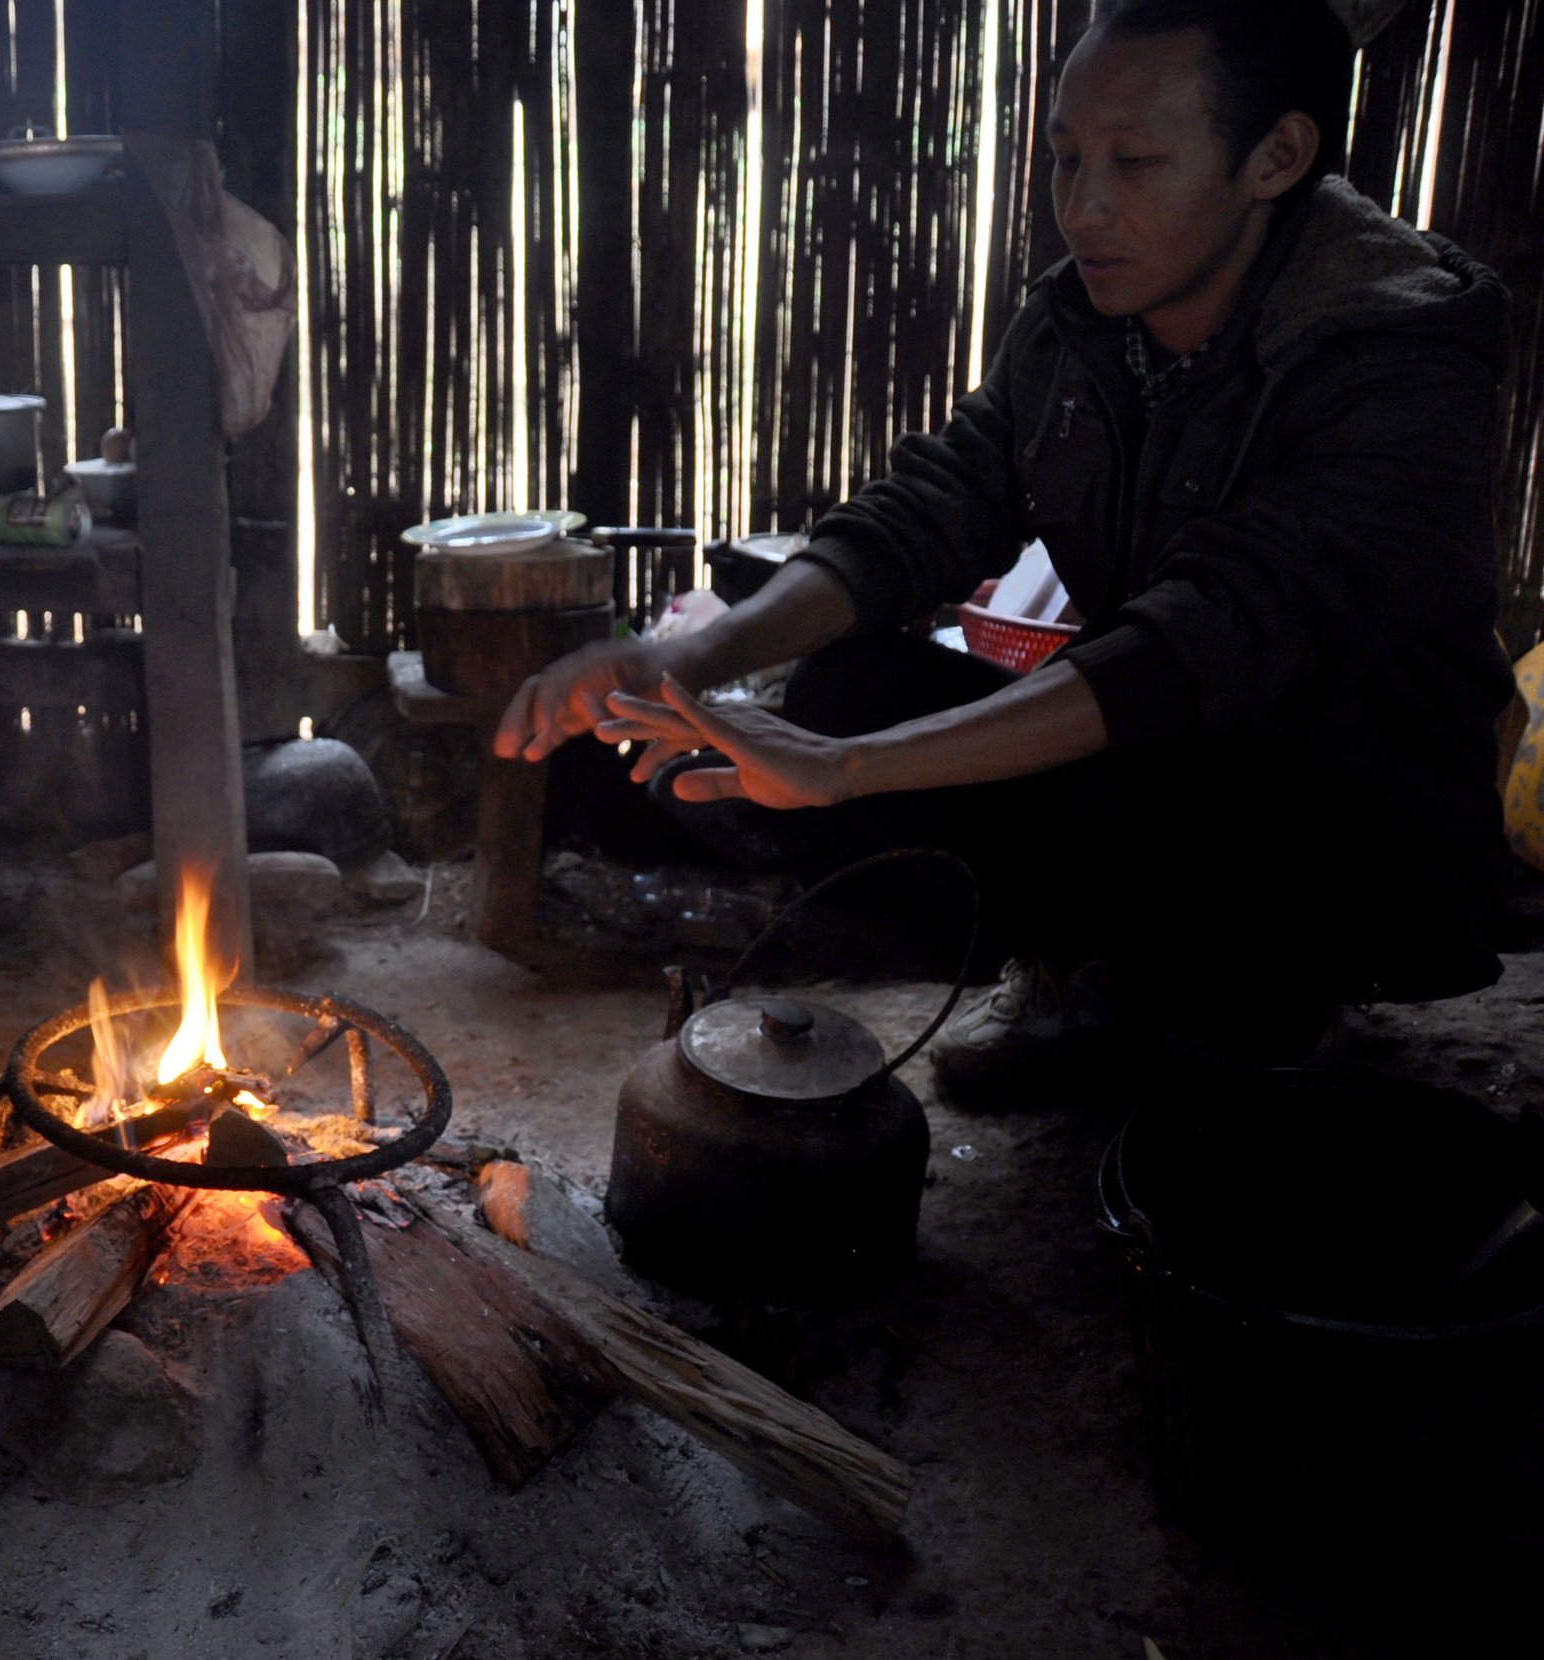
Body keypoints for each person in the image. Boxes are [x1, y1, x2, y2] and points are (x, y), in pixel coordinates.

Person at [500, 0, 1515, 1097]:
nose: (1082, 208)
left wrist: (845, 772)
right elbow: (934, 504)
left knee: (1213, 1002)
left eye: (1132, 163)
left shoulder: (1397, 354)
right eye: (1064, 157)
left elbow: (1203, 643)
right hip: (1167, 762)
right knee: (849, 684)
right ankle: (1100, 970)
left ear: (1274, 156)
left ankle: (1247, 1010)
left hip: (1346, 831)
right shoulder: (1084, 321)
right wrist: (692, 660)